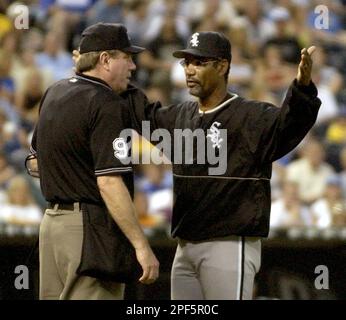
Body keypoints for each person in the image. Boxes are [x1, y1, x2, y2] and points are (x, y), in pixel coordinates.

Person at [125, 31, 321, 300]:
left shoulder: (251, 116)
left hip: (229, 243)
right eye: (187, 63)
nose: (190, 70)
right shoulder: (180, 116)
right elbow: (140, 113)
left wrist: (302, 86)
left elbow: (290, 124)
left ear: (222, 65)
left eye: (199, 62)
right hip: (185, 245)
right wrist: (107, 78)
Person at [28, 23, 159, 300]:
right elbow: (109, 182)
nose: (133, 67)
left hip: (52, 226)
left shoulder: (55, 91)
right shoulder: (107, 103)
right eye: (127, 57)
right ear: (105, 60)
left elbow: (35, 162)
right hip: (89, 229)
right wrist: (141, 245)